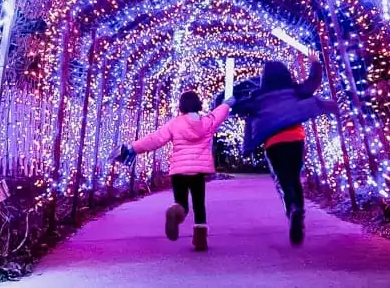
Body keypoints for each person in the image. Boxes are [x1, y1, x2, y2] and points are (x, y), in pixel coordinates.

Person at [115, 90, 232, 251]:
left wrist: (133, 148)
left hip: (179, 171)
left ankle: (174, 212)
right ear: (198, 104)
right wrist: (227, 104)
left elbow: (155, 139)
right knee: (199, 205)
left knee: (181, 202)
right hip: (198, 171)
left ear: (181, 105)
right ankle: (200, 241)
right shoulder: (207, 122)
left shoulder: (175, 123)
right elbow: (218, 114)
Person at [229, 53, 326, 246]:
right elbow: (312, 83)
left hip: (274, 143)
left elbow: (236, 108)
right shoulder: (294, 90)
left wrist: (229, 98)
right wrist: (315, 63)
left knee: (283, 180)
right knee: (294, 178)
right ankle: (298, 209)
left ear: (265, 78)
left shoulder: (257, 98)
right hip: (295, 138)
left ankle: (291, 210)